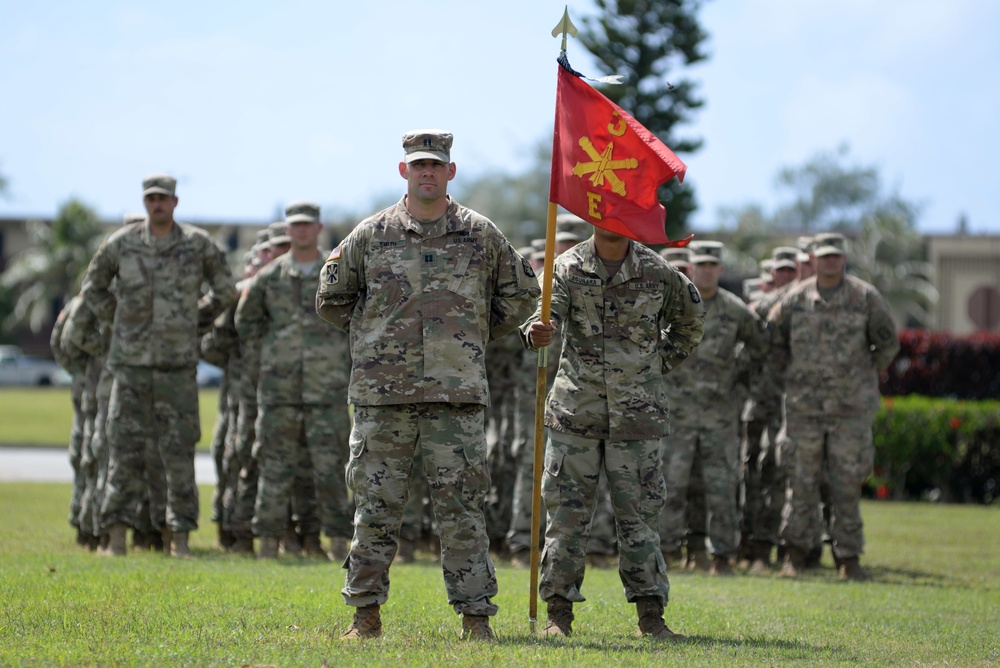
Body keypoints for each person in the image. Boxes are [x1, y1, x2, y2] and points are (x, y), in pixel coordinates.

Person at [316, 129, 540, 641]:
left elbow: (523, 293)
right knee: (375, 509)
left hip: (454, 396)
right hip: (383, 397)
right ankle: (365, 615)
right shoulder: (372, 234)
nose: (427, 173)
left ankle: (476, 617)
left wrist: (476, 334)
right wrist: (375, 338)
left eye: (436, 165)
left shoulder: (480, 233)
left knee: (463, 509)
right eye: (418, 165)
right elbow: (331, 299)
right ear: (404, 171)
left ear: (450, 172)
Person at [523, 226, 705, 640]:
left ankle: (651, 617)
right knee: (567, 519)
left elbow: (691, 323)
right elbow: (541, 317)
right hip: (576, 415)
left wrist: (653, 368)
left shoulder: (658, 271)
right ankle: (558, 614)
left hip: (636, 419)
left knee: (640, 520)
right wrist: (536, 333)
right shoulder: (566, 267)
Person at [81, 174, 235, 558]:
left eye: (163, 198)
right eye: (151, 198)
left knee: (179, 452)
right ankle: (116, 536)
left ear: (175, 202)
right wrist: (118, 319)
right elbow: (93, 288)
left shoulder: (197, 245)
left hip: (176, 367)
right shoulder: (122, 244)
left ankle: (179, 536)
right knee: (122, 450)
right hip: (130, 367)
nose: (157, 205)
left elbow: (225, 289)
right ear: (145, 202)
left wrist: (191, 319)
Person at [769, 233, 900, 581]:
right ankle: (794, 555)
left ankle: (849, 558)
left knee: (847, 485)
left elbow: (887, 343)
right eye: (823, 256)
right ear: (813, 258)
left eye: (836, 256)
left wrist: (863, 374)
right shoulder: (795, 298)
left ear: (844, 259)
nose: (830, 261)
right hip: (804, 410)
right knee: (800, 484)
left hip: (849, 411)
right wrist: (795, 376)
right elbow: (775, 342)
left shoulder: (865, 297)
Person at [236, 201, 353, 561]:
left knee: (331, 467)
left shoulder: (337, 274)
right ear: (287, 230)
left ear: (319, 228)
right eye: (295, 225)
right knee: (274, 467)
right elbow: (246, 322)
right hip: (279, 391)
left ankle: (337, 542)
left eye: (307, 225)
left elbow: (355, 320)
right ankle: (269, 541)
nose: (301, 231)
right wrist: (269, 358)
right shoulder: (269, 277)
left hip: (326, 389)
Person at [659, 241, 767, 576]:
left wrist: (737, 373)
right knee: (671, 485)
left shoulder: (735, 310)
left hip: (719, 415)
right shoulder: (672, 304)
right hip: (677, 412)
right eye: (700, 264)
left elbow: (760, 345)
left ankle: (721, 555)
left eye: (712, 265)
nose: (706, 270)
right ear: (690, 268)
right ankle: (666, 552)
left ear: (720, 269)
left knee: (721, 487)